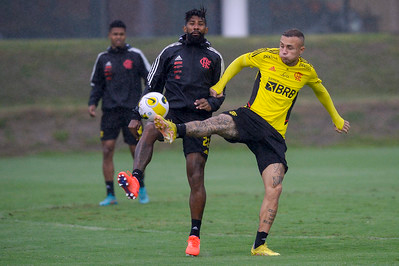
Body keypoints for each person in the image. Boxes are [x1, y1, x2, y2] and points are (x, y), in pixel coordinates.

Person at [154, 29, 351, 256]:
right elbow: (240, 61)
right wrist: (219, 85)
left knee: (275, 188)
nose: (283, 51)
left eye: (289, 48)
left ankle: (259, 245)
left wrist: (336, 117)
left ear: (301, 50)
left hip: (274, 136)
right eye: (282, 45)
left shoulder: (306, 71)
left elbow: (321, 90)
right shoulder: (266, 56)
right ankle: (173, 129)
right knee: (217, 123)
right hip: (251, 118)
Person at [117, 7, 225, 256]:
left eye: (200, 24)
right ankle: (135, 179)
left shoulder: (214, 56)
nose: (196, 27)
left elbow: (220, 91)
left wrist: (213, 103)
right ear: (184, 27)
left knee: (195, 174)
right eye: (192, 23)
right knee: (151, 127)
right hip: (171, 113)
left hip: (198, 120)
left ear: (206, 29)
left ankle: (194, 237)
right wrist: (136, 114)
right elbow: (152, 85)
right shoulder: (169, 52)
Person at [88, 20, 151, 206]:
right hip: (109, 112)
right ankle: (110, 195)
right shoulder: (102, 58)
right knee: (107, 150)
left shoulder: (135, 55)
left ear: (125, 35)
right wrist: (92, 103)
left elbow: (150, 79)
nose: (118, 37)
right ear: (109, 35)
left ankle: (141, 188)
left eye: (121, 34)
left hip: (132, 112)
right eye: (115, 34)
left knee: (136, 151)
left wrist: (146, 105)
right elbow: (97, 85)